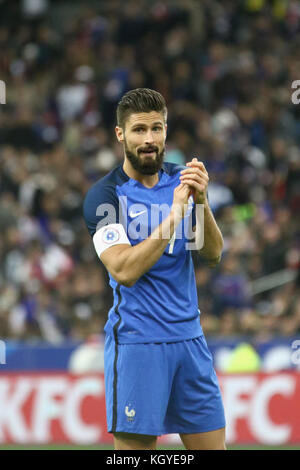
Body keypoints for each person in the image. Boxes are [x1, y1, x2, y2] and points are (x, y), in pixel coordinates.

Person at [83, 88, 226, 450]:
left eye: (157, 129)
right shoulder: (106, 196)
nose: (149, 139)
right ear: (120, 134)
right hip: (138, 344)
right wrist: (175, 214)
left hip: (191, 343)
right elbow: (123, 270)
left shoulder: (182, 181)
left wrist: (201, 201)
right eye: (139, 130)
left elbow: (212, 254)